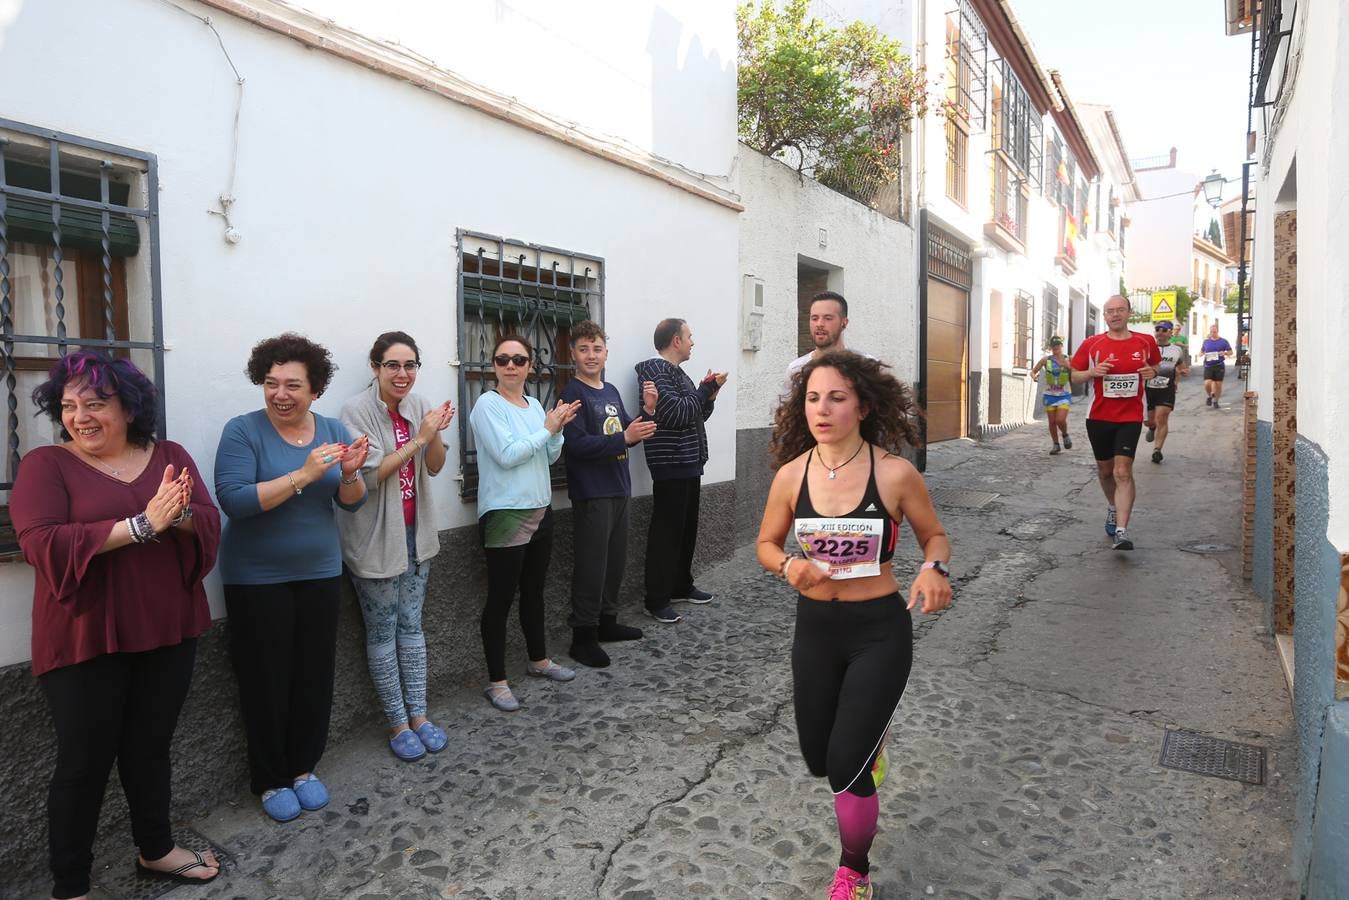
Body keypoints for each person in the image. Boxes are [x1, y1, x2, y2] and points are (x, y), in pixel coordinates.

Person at [11, 352, 222, 898]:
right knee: (83, 762)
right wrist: (140, 525)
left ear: (129, 407)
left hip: (166, 626)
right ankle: (72, 885)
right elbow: (40, 543)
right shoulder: (45, 466)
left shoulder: (169, 455)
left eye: (95, 403)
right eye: (69, 405)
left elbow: (205, 518)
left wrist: (175, 518)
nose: (80, 415)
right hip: (85, 634)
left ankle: (155, 849)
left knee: (150, 747)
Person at [756, 351, 952, 900]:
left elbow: (934, 536)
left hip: (878, 629)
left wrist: (934, 569)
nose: (822, 409)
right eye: (813, 398)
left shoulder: (894, 473)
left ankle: (854, 871)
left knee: (846, 766)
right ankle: (872, 743)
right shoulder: (791, 476)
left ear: (863, 406)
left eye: (837, 397)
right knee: (819, 757)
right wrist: (790, 565)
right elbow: (766, 545)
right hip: (816, 627)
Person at [214, 333, 369, 822]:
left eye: (292, 385)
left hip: (320, 571)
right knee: (265, 680)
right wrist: (302, 475)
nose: (280, 393)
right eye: (270, 382)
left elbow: (353, 500)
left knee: (313, 674)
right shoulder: (242, 431)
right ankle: (271, 778)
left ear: (315, 390)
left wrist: (349, 472)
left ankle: (303, 767)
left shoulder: (330, 428)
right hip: (257, 579)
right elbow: (235, 501)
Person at [337, 331, 454, 761]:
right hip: (374, 539)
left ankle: (420, 715)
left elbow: (437, 467)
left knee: (412, 627)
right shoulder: (355, 410)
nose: (402, 375)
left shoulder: (421, 405)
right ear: (375, 368)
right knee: (383, 632)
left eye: (409, 366)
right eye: (392, 365)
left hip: (416, 534)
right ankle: (396, 721)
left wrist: (435, 432)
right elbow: (370, 475)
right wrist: (420, 439)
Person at [468, 335, 582, 711]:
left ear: (531, 365)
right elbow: (507, 455)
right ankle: (496, 681)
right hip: (505, 514)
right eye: (503, 360)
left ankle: (538, 660)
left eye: (519, 360)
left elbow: (546, 457)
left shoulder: (535, 405)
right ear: (494, 366)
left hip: (540, 509)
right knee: (500, 599)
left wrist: (559, 428)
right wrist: (548, 429)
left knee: (534, 592)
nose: (511, 366)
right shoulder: (488, 405)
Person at [559, 320, 657, 668]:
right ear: (573, 354)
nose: (590, 355)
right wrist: (625, 438)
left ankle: (606, 623)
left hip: (619, 488)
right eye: (583, 349)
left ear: (605, 353)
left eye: (596, 348)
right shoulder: (572, 393)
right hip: (592, 493)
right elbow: (577, 445)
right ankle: (582, 637)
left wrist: (648, 410)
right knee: (591, 567)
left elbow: (630, 430)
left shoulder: (611, 390)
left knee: (614, 564)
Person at [634, 318, 726, 624]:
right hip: (670, 463)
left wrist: (709, 394)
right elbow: (674, 413)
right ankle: (656, 599)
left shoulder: (678, 374)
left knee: (686, 530)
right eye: (689, 336)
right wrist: (702, 390)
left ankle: (680, 586)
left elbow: (697, 412)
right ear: (676, 340)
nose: (692, 342)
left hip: (689, 461)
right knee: (666, 533)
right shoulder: (655, 371)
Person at [1070, 296, 1160, 551]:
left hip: (1130, 417)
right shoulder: (1092, 344)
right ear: (1105, 316)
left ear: (1129, 312)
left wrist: (1152, 372)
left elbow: (1154, 366)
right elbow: (1074, 376)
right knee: (1105, 471)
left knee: (1123, 471)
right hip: (1098, 417)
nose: (1115, 314)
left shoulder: (1146, 341)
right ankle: (1112, 507)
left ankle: (1122, 530)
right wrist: (1092, 373)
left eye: (1120, 310)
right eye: (1110, 311)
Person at [784, 291, 854, 394]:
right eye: (814, 318)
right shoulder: (796, 369)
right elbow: (788, 408)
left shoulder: (864, 366)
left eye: (828, 318)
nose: (819, 324)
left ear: (844, 323)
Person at [1143, 320, 1190, 464]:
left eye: (1164, 330)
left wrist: (1184, 371)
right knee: (1149, 421)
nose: (1160, 332)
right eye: (1157, 329)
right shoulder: (1146, 348)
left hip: (1166, 389)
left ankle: (1157, 450)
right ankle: (1152, 427)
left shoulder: (1177, 350)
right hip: (1147, 389)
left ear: (1170, 333)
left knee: (1161, 417)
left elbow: (1182, 366)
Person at [1029, 336, 1074, 454]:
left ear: (1061, 346)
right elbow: (1033, 371)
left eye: (1058, 345)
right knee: (1052, 422)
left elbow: (1077, 371)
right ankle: (1056, 444)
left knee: (1060, 419)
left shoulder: (1069, 358)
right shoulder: (1046, 360)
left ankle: (1065, 434)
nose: (1056, 348)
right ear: (1051, 347)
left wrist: (1068, 365)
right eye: (1054, 346)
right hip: (1049, 394)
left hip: (1064, 394)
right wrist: (1034, 377)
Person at [1200, 324, 1234, 409]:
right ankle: (1210, 395)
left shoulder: (1223, 341)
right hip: (1208, 365)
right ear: (1209, 332)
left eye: (1214, 332)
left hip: (1219, 365)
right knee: (1207, 383)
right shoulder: (1206, 342)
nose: (1212, 333)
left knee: (1218, 384)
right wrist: (1202, 354)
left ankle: (1216, 401)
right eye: (1211, 332)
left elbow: (1231, 352)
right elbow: (1200, 352)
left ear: (1217, 332)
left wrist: (1225, 353)